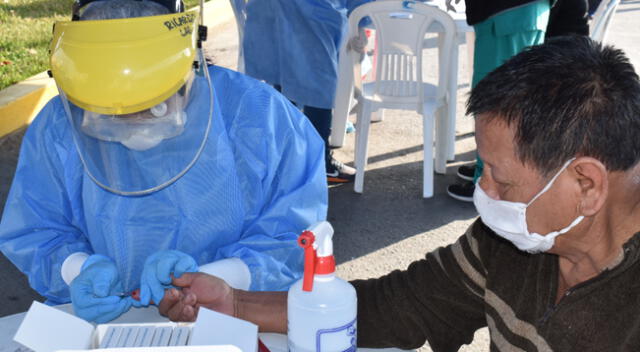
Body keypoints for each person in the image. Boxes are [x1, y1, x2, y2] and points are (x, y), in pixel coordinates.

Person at [158, 37, 640, 350]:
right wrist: (236, 304)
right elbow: (401, 304)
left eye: (501, 179)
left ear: (587, 185)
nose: (483, 192)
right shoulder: (511, 241)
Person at [0, 0, 327, 323]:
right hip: (103, 325)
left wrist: (221, 279)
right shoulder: (59, 126)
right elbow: (36, 227)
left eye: (153, 106)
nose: (134, 127)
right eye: (112, 116)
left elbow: (294, 235)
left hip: (234, 314)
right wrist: (78, 269)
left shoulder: (259, 117)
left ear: (190, 64)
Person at [239, 0, 359, 184]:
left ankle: (291, 159)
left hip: (271, 13)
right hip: (309, 17)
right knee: (317, 88)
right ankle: (318, 164)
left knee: (282, 78)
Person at [446, 0, 551, 202]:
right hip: (521, 12)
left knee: (493, 103)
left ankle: (488, 182)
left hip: (506, 13)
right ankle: (494, 172)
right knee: (513, 99)